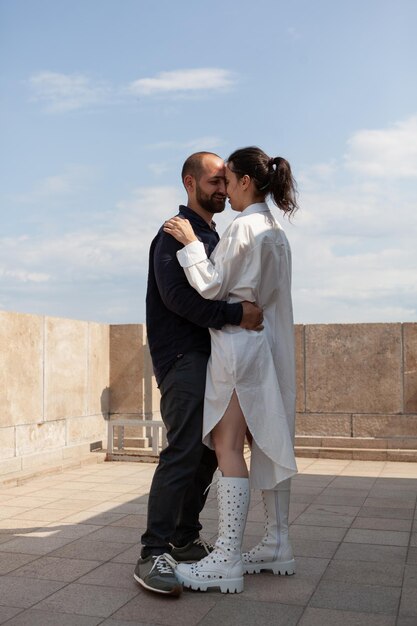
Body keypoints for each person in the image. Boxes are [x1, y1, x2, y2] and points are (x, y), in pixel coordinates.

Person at [163, 146, 299, 594]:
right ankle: (278, 542)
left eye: (228, 180)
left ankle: (225, 557)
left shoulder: (242, 227)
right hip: (270, 347)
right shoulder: (275, 231)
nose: (224, 190)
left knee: (227, 446)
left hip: (238, 351)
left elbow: (210, 286)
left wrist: (190, 244)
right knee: (269, 441)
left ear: (244, 182)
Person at [133, 151, 263, 596]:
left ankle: (185, 540)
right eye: (214, 181)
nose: (222, 189)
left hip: (214, 358)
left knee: (210, 451)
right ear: (190, 182)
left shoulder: (212, 233)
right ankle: (153, 552)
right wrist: (236, 315)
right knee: (184, 449)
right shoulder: (173, 233)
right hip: (182, 357)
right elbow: (178, 300)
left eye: (226, 182)